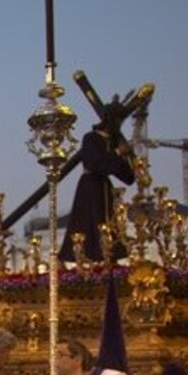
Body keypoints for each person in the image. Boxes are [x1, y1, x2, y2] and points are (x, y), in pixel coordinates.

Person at [59, 99, 135, 263]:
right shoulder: (91, 138)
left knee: (110, 222)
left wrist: (130, 161)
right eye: (117, 120)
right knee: (91, 222)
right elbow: (93, 163)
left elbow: (127, 176)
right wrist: (116, 152)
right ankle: (88, 257)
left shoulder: (114, 141)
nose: (119, 124)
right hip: (90, 186)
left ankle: (109, 257)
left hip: (105, 187)